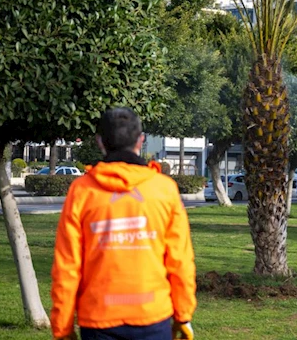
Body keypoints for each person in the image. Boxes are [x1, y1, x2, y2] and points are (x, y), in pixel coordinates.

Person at [51, 107, 196, 340]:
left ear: (100, 142)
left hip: (99, 320)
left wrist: (62, 328)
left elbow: (67, 267)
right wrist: (183, 315)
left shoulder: (81, 191)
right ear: (141, 140)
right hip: (153, 317)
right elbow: (180, 261)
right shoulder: (164, 189)